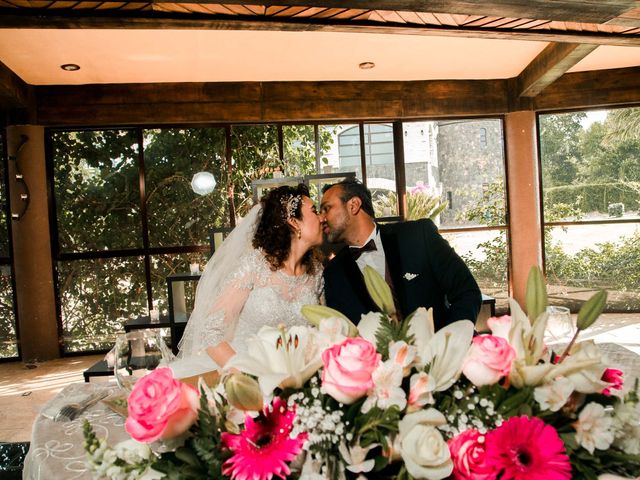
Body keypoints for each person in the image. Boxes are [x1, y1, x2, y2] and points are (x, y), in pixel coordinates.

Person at [172, 184, 324, 376]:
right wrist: (246, 377)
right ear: (294, 222)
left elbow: (322, 332)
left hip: (298, 379)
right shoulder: (254, 265)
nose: (322, 217)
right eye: (314, 211)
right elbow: (210, 331)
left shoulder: (316, 272)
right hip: (245, 375)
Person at [320, 179, 481, 332]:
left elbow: (466, 292)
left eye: (326, 208)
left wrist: (450, 343)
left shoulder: (418, 236)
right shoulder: (334, 274)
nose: (321, 218)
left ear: (353, 205)